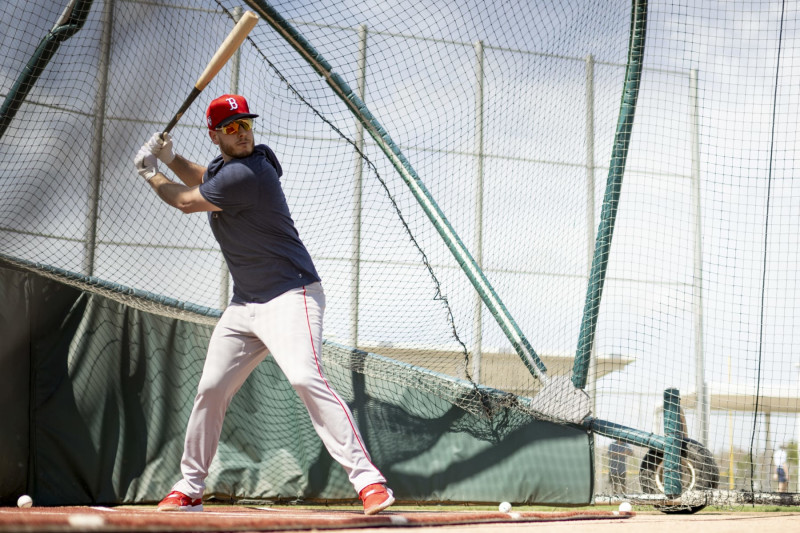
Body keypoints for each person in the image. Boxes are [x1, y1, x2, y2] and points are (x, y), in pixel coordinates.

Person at [133, 94, 394, 515]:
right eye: (232, 127)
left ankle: (369, 481)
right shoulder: (226, 168)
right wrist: (174, 157)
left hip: (292, 295)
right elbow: (205, 177)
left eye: (246, 124)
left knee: (306, 378)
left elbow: (186, 201)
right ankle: (190, 485)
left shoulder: (253, 170)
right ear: (216, 134)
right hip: (245, 304)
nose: (243, 133)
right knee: (211, 388)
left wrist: (150, 172)